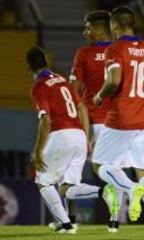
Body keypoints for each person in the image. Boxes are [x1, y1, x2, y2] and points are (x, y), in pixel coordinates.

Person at [91, 5, 144, 239]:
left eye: (111, 26)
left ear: (114, 25)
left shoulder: (115, 49)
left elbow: (114, 81)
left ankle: (129, 188)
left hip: (121, 117)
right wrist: (143, 90)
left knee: (99, 164)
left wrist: (98, 96)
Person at [27, 47, 118, 234]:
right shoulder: (63, 81)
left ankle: (66, 224)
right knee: (67, 188)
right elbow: (82, 107)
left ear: (28, 68)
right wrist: (85, 137)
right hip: (79, 136)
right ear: (47, 61)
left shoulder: (39, 86)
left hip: (61, 135)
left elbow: (46, 121)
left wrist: (37, 151)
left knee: (43, 182)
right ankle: (102, 193)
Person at [69, 10, 123, 232]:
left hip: (88, 121)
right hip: (114, 123)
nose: (85, 32)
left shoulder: (83, 54)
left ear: (101, 30)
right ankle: (115, 220)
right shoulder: (120, 53)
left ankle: (69, 220)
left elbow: (73, 90)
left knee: (73, 169)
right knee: (113, 170)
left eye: (88, 28)